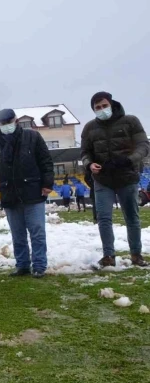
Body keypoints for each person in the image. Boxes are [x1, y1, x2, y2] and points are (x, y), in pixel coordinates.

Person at [81, 91, 150, 267]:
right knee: (104, 218)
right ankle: (108, 256)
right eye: (97, 107)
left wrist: (129, 160)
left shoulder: (130, 121)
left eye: (104, 105)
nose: (101, 109)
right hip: (103, 179)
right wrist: (89, 164)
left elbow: (143, 145)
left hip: (127, 177)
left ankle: (136, 255)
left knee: (132, 217)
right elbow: (85, 152)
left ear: (111, 104)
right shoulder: (89, 128)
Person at [0, 109, 54, 278]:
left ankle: (39, 265)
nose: (6, 126)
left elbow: (45, 161)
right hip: (9, 193)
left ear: (16, 120)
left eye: (8, 122)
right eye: (2, 124)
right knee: (17, 233)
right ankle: (22, 265)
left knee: (37, 230)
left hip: (32, 191)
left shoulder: (32, 137)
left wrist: (47, 183)